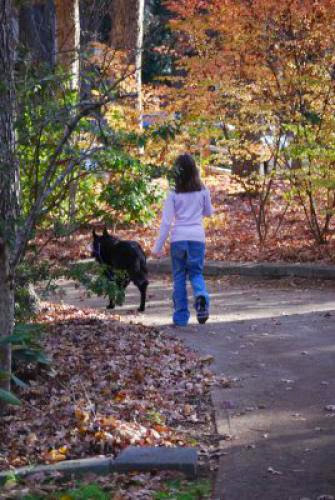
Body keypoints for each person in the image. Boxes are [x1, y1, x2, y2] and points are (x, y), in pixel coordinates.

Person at [151, 153, 214, 326]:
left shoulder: (173, 193)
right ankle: (201, 296)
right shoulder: (203, 190)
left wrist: (156, 248)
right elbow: (209, 212)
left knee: (179, 277)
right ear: (195, 170)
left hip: (178, 239)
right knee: (196, 273)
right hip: (197, 239)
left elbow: (166, 223)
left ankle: (180, 317)